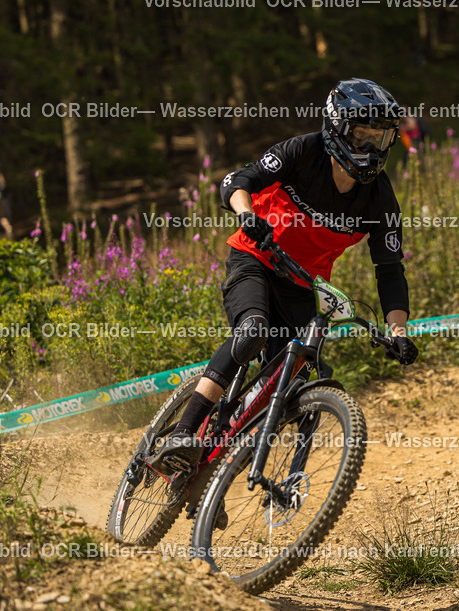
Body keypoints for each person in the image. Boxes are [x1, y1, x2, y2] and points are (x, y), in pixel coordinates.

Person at [152, 78, 418, 473]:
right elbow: (236, 181)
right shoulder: (302, 150)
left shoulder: (380, 198)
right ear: (338, 128)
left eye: (380, 140)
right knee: (252, 330)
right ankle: (183, 431)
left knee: (297, 377)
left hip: (299, 282)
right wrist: (247, 215)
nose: (370, 148)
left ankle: (214, 475)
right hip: (255, 258)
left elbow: (390, 271)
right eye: (362, 136)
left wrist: (397, 333)